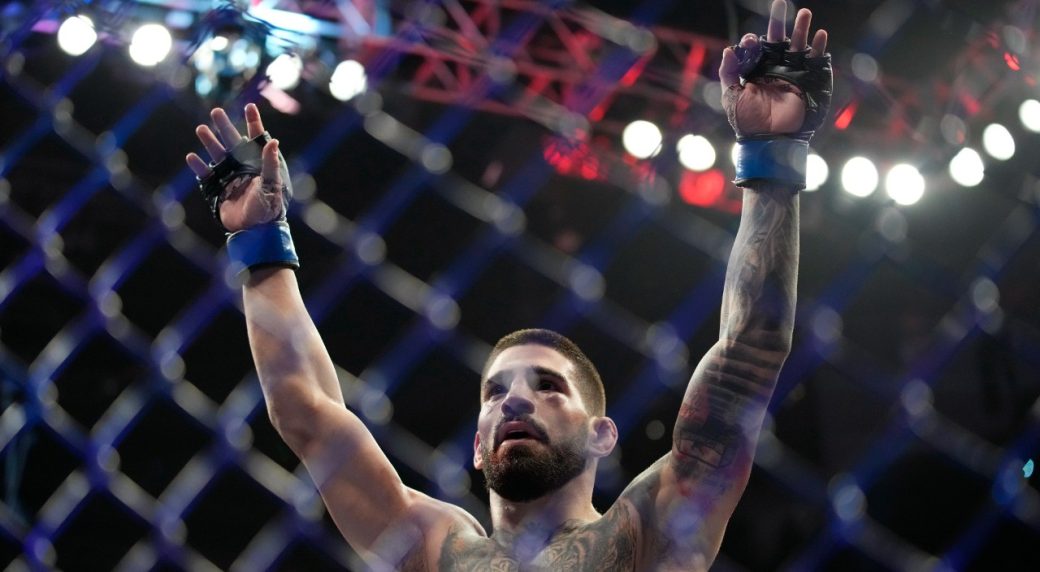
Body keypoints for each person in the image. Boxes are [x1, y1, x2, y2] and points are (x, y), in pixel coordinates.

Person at [184, 1, 830, 569]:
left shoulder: (645, 536)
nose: (514, 402)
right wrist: (260, 244)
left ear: (602, 435)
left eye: (548, 386)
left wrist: (772, 160)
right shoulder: (434, 551)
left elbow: (750, 354)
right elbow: (307, 414)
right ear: (476, 445)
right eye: (495, 392)